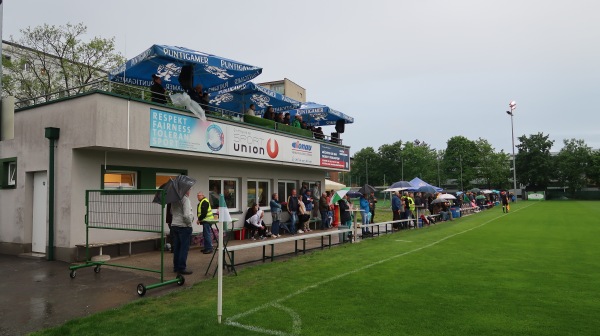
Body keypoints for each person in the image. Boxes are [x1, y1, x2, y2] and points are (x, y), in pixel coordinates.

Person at [170, 190, 194, 275]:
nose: (189, 191)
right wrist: (189, 224)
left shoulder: (174, 200)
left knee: (177, 247)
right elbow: (187, 215)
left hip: (174, 225)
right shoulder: (185, 199)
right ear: (186, 190)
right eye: (189, 190)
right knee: (184, 248)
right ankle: (181, 268)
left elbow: (171, 212)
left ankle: (176, 267)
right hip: (184, 226)